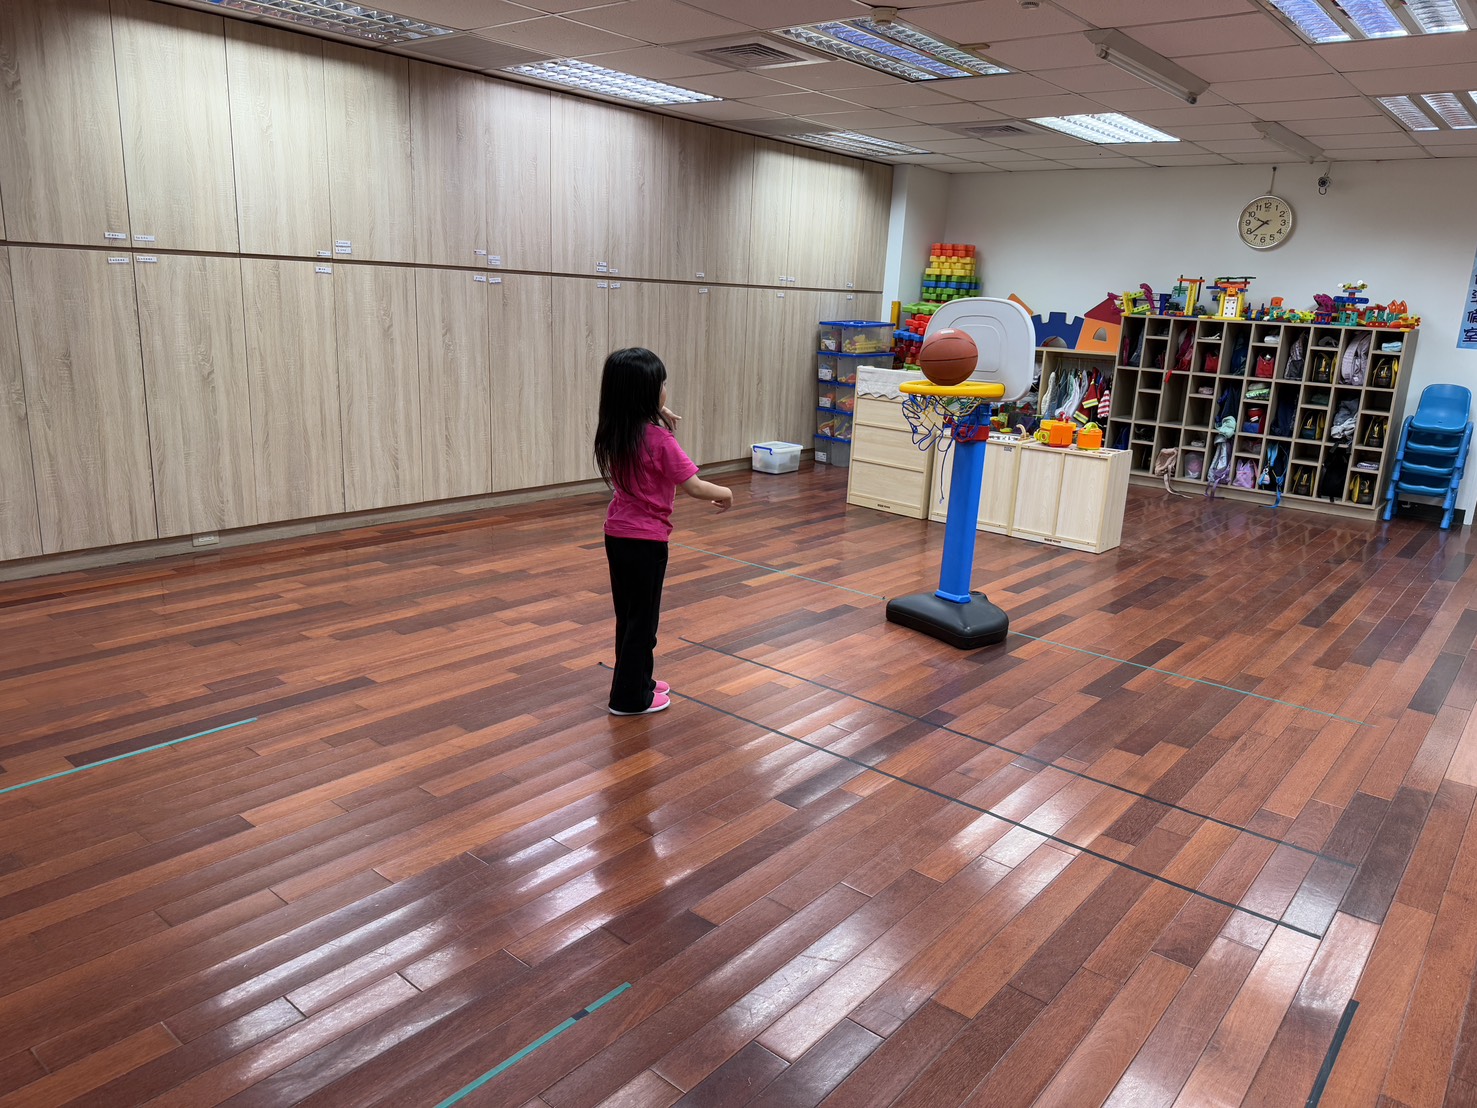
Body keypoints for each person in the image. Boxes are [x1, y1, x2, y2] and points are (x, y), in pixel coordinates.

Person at [594, 347, 731, 715]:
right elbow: (695, 486)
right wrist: (726, 492)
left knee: (630, 617)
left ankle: (639, 681)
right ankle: (630, 698)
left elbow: (638, 421)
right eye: (662, 385)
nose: (666, 390)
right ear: (647, 394)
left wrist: (656, 413)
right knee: (643, 623)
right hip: (646, 542)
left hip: (617, 535)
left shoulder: (614, 429)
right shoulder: (659, 440)